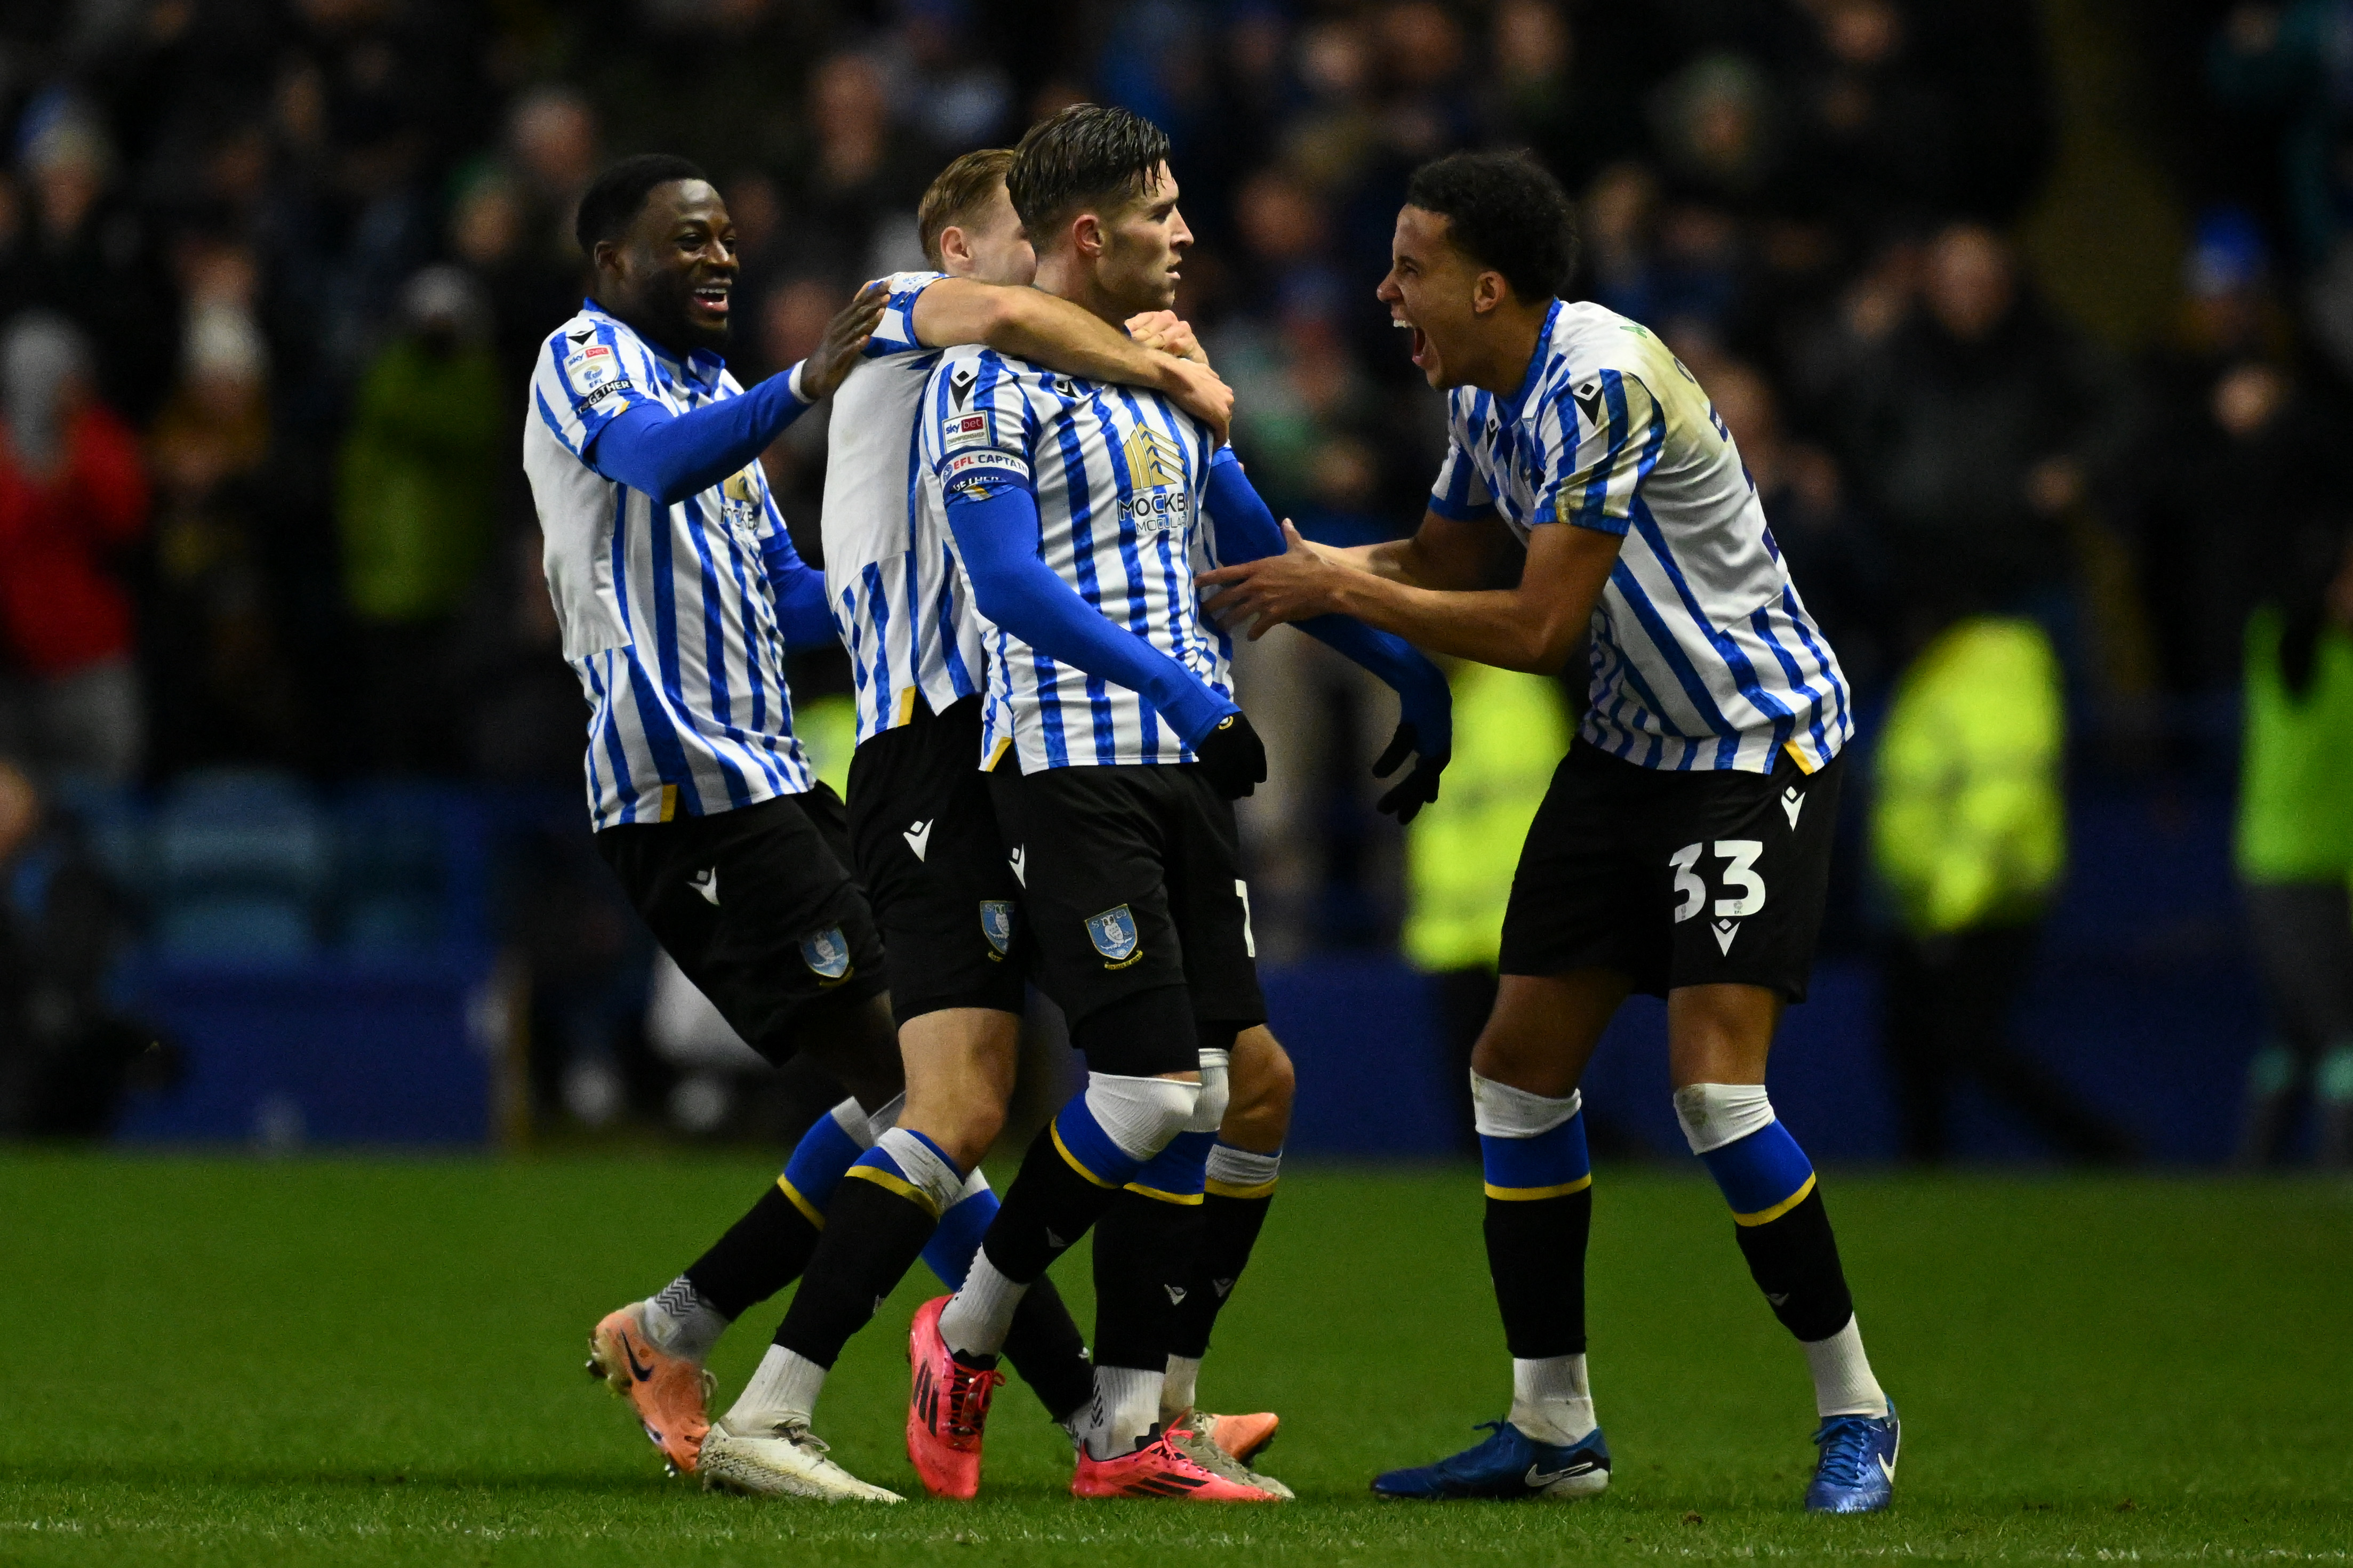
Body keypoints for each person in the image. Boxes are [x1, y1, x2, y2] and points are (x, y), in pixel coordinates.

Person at [1199, 149, 1899, 1514]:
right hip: (1633, 748)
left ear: (1488, 283)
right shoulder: (1484, 395)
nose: (1384, 290)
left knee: (1714, 1089)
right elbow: (1448, 562)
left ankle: (1856, 1413)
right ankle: (1552, 1426)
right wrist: (1302, 565)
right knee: (1515, 1072)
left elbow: (1534, 625)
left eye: (1408, 267)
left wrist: (1336, 583)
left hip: (1749, 746)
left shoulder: (1597, 381)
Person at [688, 146, 1250, 1502]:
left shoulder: (1006, 382)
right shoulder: (902, 310)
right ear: (955, 250)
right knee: (974, 1100)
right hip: (926, 756)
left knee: (1120, 1082)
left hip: (991, 753)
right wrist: (1158, 362)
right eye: (1017, 240)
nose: (1035, 267)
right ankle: (788, 1397)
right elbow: (1008, 315)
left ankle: (1121, 1414)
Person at [905, 104, 1450, 1503]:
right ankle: (965, 1332)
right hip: (1073, 766)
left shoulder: (1165, 373)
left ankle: (1142, 1420)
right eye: (1162, 212)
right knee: (1151, 1087)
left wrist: (1402, 664)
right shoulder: (984, 380)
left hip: (1183, 760)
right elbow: (1007, 582)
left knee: (1244, 1080)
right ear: (1089, 234)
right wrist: (1188, 688)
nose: (1187, 234)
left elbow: (1257, 542)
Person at [523, 154, 919, 1502]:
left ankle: (675, 1329)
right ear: (609, 261)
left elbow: (791, 605)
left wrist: (938, 594)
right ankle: (1081, 1398)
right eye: (687, 240)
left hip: (768, 776)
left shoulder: (712, 398)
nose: (719, 260)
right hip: (683, 788)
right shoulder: (583, 366)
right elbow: (645, 465)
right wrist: (806, 385)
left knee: (918, 1091)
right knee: (919, 1090)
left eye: (730, 239)